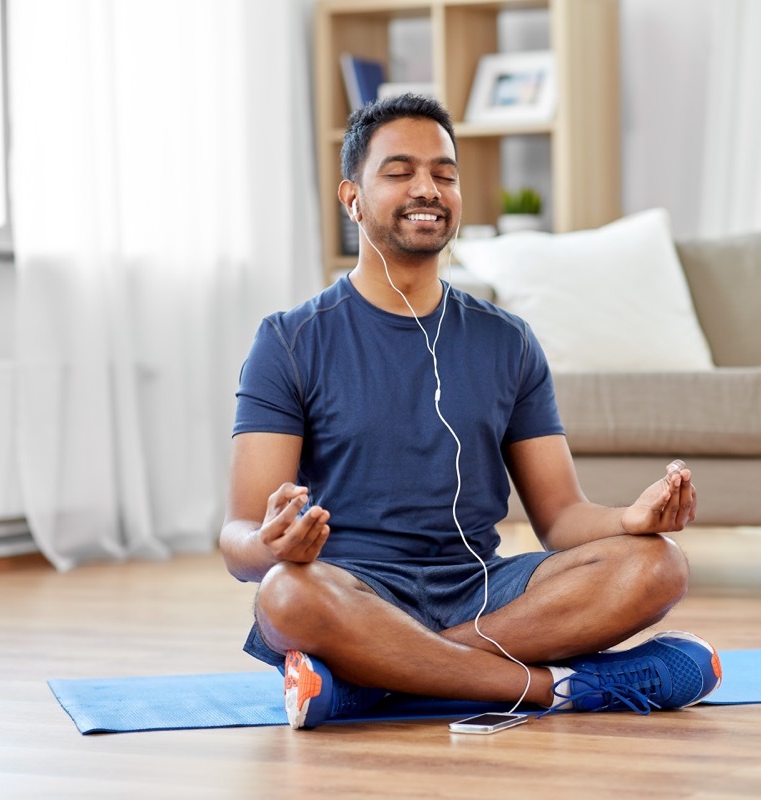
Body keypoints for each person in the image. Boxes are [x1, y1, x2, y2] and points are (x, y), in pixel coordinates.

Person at [220, 94, 720, 730]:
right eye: (399, 172)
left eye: (445, 174)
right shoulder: (289, 339)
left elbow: (561, 519)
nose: (427, 188)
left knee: (657, 563)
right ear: (352, 198)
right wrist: (266, 543)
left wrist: (630, 518)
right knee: (285, 594)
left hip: (482, 590)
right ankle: (553, 689)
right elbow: (238, 540)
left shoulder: (507, 340)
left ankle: (376, 679)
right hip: (353, 591)